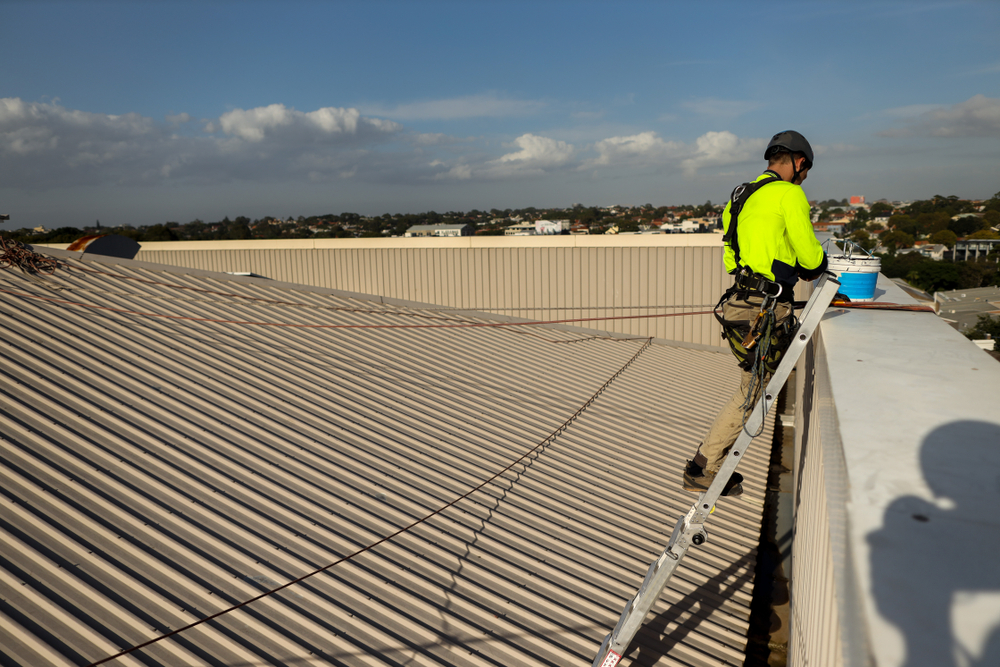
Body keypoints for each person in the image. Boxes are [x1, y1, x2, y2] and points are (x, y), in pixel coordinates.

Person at [682, 130, 828, 496]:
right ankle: (703, 468)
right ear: (798, 163)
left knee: (751, 387)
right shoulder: (790, 194)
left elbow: (731, 257)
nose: (804, 176)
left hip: (737, 306)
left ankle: (705, 464)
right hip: (765, 310)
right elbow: (810, 259)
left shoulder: (740, 196)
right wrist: (816, 264)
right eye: (804, 170)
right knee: (753, 391)